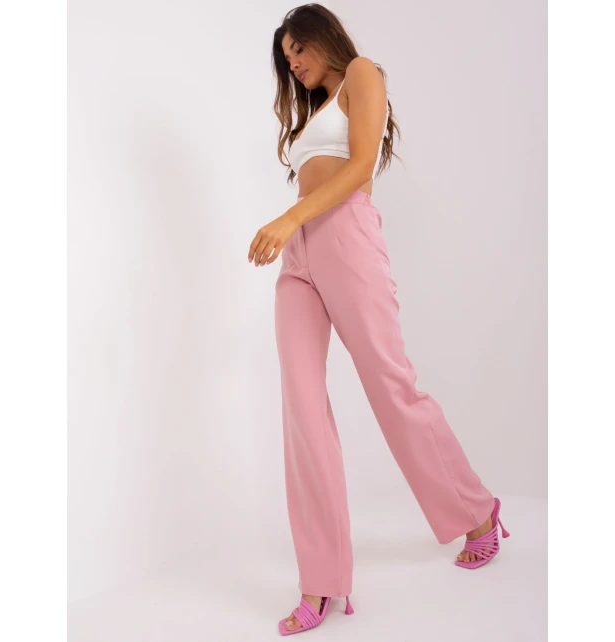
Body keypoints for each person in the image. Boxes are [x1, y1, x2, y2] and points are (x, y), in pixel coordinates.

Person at [247, 4, 511, 636]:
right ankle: (322, 582)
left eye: (299, 49)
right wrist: (293, 228)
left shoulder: (362, 73)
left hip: (345, 238)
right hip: (300, 258)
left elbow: (361, 166)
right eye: (286, 58)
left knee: (391, 387)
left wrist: (287, 218)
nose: (294, 63)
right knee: (302, 411)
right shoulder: (313, 111)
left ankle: (477, 512)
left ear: (324, 38)